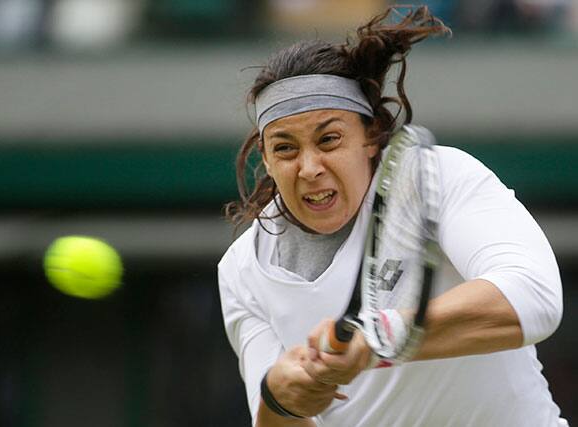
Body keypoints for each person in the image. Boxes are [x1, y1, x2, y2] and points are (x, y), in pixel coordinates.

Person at [218, 6, 566, 427]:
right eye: (285, 148)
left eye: (328, 139)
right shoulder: (241, 269)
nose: (308, 167)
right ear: (267, 161)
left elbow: (534, 297)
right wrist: (281, 398)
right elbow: (274, 415)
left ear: (370, 136)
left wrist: (379, 336)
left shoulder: (437, 178)